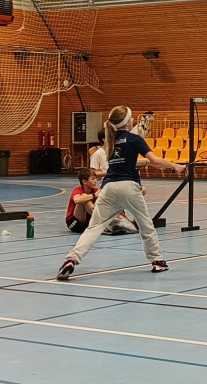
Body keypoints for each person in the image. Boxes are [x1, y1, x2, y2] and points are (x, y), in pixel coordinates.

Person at [57, 105, 186, 280]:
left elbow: (128, 162)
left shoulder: (110, 141)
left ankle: (71, 259)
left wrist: (149, 163)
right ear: (127, 122)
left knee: (94, 228)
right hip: (129, 187)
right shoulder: (135, 139)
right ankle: (157, 261)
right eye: (131, 117)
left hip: (109, 188)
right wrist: (175, 166)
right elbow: (155, 160)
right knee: (146, 225)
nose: (133, 120)